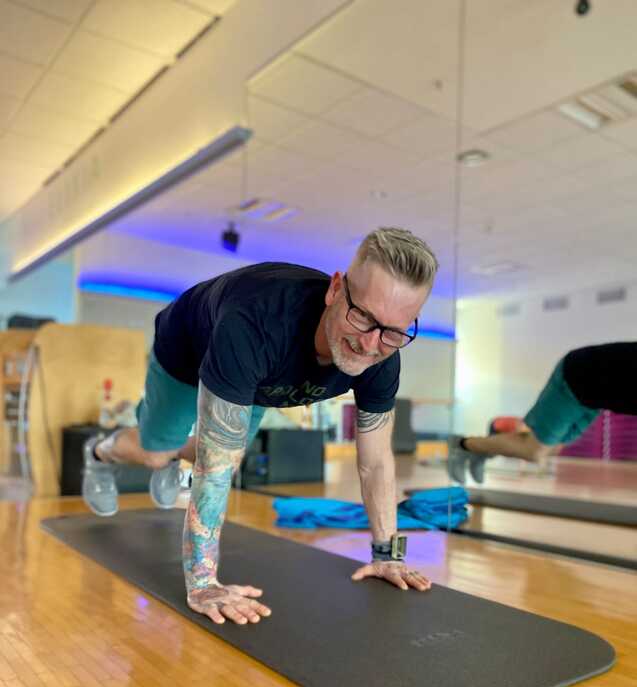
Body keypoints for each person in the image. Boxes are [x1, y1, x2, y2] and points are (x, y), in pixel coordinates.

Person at [82, 227, 439, 625]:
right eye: (363, 318)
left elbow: (376, 462)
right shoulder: (255, 324)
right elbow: (214, 469)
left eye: (392, 331)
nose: (372, 344)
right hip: (186, 350)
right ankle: (100, 452)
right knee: (157, 452)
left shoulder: (384, 355)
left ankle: (171, 456)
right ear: (335, 290)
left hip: (254, 380)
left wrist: (387, 555)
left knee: (217, 454)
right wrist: (203, 583)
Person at [449, 341, 637, 484]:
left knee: (554, 449)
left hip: (594, 397)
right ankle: (462, 445)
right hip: (576, 379)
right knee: (534, 451)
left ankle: (481, 451)